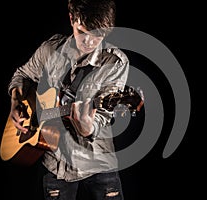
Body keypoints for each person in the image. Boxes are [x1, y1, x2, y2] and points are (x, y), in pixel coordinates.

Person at [7, 0, 129, 199]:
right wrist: (16, 101)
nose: (89, 42)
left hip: (99, 163)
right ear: (71, 18)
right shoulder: (50, 50)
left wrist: (87, 127)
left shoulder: (115, 62)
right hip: (56, 164)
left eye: (97, 35)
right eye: (82, 32)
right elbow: (23, 75)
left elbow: (102, 118)